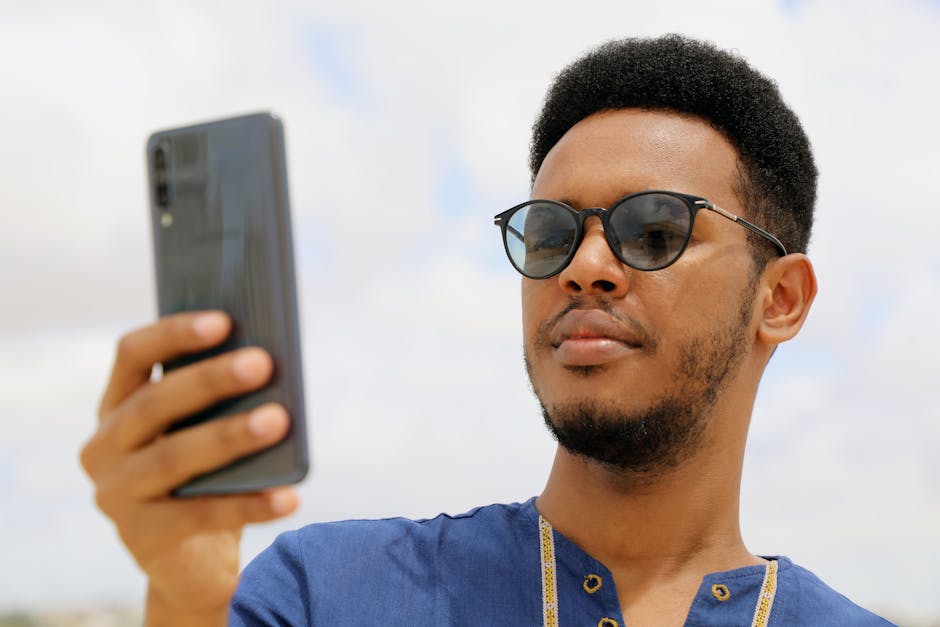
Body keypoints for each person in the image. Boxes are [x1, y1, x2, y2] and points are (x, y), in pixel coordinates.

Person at [81, 34, 894, 626]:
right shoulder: (325, 593)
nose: (585, 266)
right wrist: (185, 606)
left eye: (654, 230)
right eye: (550, 233)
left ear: (780, 298)